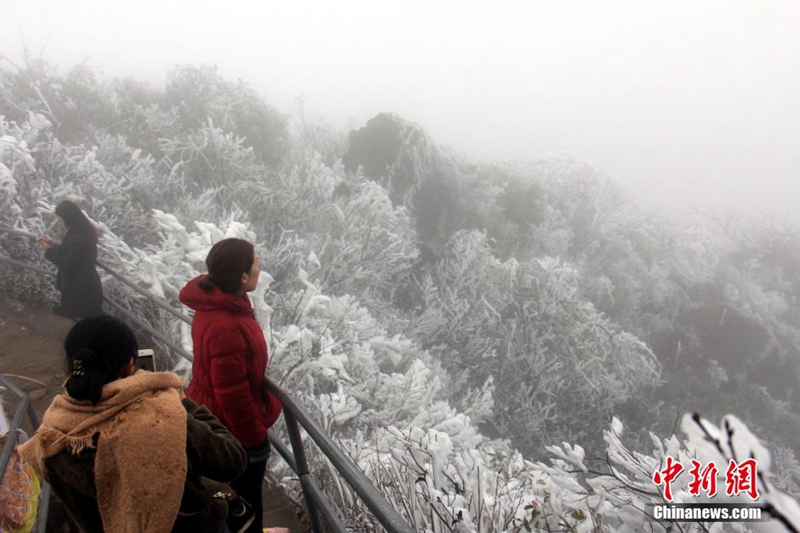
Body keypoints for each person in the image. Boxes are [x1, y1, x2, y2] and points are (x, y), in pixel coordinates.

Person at [18, 315, 248, 533]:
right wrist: (184, 404)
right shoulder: (160, 418)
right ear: (130, 364)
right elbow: (232, 459)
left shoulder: (53, 431)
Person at [180, 238, 283, 533]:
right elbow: (233, 395)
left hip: (210, 411)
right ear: (241, 276)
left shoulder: (218, 302)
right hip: (232, 429)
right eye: (256, 263)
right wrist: (255, 442)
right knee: (245, 502)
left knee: (224, 493)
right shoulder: (227, 326)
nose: (259, 268)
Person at [39, 200, 104, 319]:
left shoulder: (78, 237)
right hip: (83, 285)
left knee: (75, 319)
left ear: (68, 217)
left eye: (60, 217)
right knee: (85, 318)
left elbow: (67, 264)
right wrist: (53, 245)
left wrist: (49, 251)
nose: (59, 220)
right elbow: (71, 253)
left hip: (79, 289)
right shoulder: (80, 232)